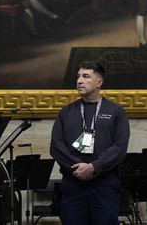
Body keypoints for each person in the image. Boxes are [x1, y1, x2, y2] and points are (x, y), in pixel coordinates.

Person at [50, 61, 130, 225]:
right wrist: (79, 167)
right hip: (73, 186)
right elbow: (56, 146)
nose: (79, 80)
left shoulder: (116, 111)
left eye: (86, 76)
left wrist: (95, 167)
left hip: (104, 186)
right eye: (78, 76)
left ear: (99, 82)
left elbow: (120, 147)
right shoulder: (66, 112)